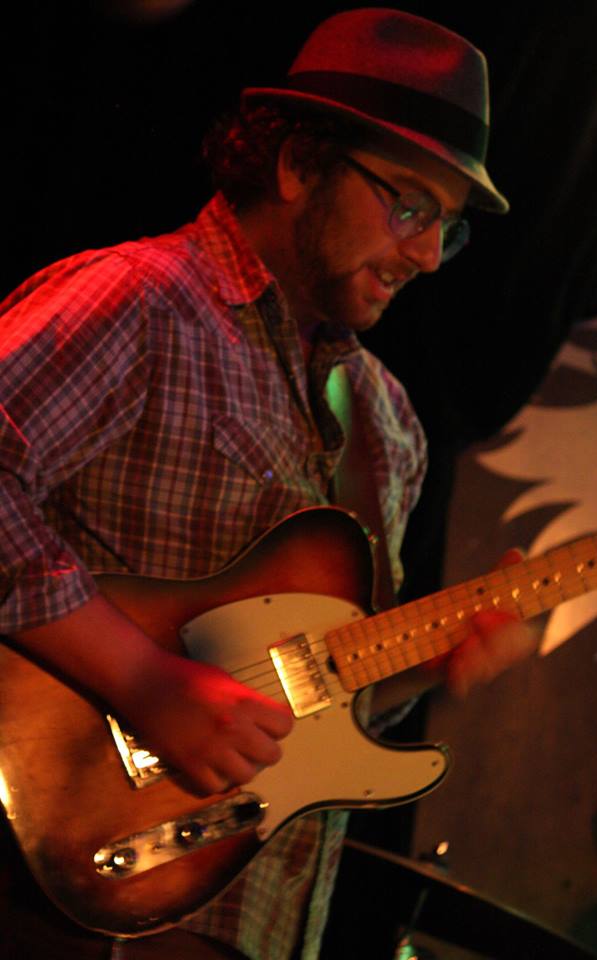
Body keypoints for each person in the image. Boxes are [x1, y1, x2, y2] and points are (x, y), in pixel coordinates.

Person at [0, 9, 537, 959]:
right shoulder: (143, 303)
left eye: (446, 230)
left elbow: (306, 697)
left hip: (253, 927)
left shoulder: (390, 425)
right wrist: (144, 681)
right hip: (50, 910)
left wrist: (422, 664)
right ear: (297, 166)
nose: (424, 255)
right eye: (409, 205)